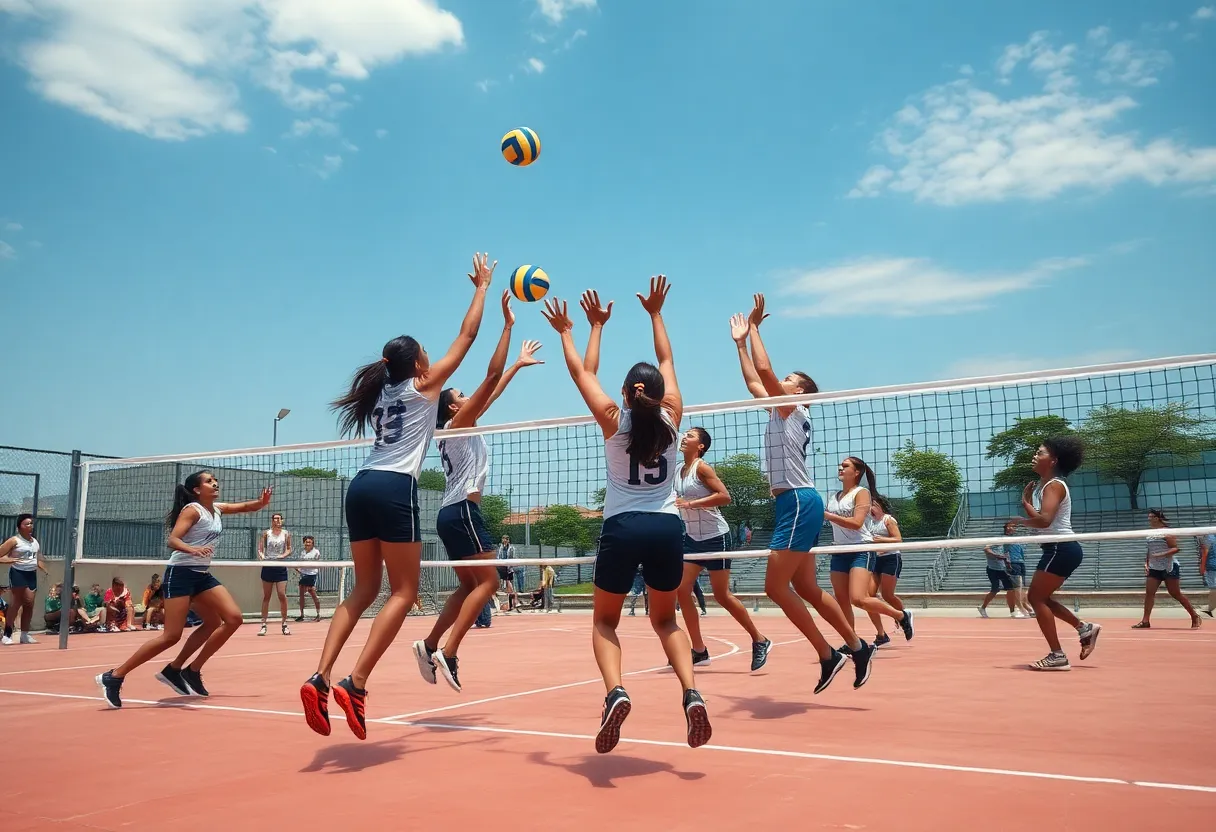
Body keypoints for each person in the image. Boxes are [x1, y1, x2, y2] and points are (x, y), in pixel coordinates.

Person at [301, 252, 496, 740]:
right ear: (417, 362)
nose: (433, 356)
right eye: (426, 351)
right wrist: (482, 289)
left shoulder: (385, 392)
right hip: (393, 487)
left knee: (364, 589)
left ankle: (320, 676)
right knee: (404, 592)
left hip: (360, 485)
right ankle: (356, 683)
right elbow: (468, 337)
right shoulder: (422, 387)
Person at [541, 275, 711, 753]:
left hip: (622, 526)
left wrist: (573, 331)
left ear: (628, 391)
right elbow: (667, 361)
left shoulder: (614, 419)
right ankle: (690, 692)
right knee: (666, 620)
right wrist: (656, 313)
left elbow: (581, 373)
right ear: (655, 393)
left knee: (605, 622)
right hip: (666, 526)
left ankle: (616, 691)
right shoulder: (674, 419)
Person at [729, 298, 875, 691]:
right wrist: (740, 344)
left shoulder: (793, 409)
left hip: (796, 500)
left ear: (801, 391)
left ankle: (829, 655)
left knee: (774, 589)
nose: (783, 381)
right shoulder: (782, 409)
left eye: (790, 378)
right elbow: (754, 380)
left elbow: (764, 370)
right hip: (797, 500)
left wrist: (756, 329)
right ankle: (858, 646)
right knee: (808, 588)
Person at [413, 293, 543, 693]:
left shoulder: (458, 425)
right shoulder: (457, 425)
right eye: (461, 397)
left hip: (450, 513)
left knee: (470, 586)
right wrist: (506, 327)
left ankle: (429, 643)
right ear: (453, 409)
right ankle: (448, 653)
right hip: (463, 512)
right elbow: (489, 378)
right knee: (487, 584)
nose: (467, 399)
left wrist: (517, 367)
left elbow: (491, 391)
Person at [96, 471, 272, 708]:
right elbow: (173, 540)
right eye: (209, 481)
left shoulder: (216, 509)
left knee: (231, 619)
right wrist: (193, 550)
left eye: (214, 480)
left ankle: (184, 669)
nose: (215, 483)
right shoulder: (192, 510)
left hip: (200, 575)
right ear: (197, 490)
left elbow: (244, 507)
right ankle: (114, 676)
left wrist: (261, 503)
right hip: (180, 574)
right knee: (171, 636)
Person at [673, 425, 770, 669]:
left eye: (691, 436)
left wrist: (691, 503)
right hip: (692, 538)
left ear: (701, 446)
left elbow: (725, 496)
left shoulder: (702, 468)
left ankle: (759, 639)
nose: (685, 437)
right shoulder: (677, 471)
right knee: (681, 590)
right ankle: (699, 649)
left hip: (716, 536)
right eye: (685, 434)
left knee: (721, 595)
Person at [1014, 437, 1100, 671]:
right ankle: (1084, 628)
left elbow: (1044, 521)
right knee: (1043, 599)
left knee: (1036, 598)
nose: (1034, 455)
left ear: (1053, 460)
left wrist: (1021, 521)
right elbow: (1044, 517)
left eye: (1039, 452)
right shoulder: (1048, 485)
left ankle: (1057, 655)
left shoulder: (1054, 485)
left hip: (1060, 548)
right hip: (1059, 548)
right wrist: (1026, 504)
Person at [824, 457, 914, 646]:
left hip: (861, 549)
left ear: (856, 472)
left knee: (859, 598)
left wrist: (826, 515)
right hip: (839, 550)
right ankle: (852, 643)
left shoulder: (861, 493)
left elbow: (857, 523)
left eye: (846, 466)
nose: (840, 468)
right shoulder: (833, 496)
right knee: (842, 600)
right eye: (840, 465)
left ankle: (901, 615)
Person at [1133, 509, 1201, 629]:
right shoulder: (1149, 533)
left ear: (1157, 518)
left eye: (1151, 517)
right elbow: (1150, 550)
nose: (1149, 519)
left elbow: (1175, 548)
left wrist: (1161, 554)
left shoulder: (1167, 532)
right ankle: (1145, 621)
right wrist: (1147, 562)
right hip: (1154, 567)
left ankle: (1194, 615)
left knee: (1175, 593)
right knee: (1149, 593)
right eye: (1148, 517)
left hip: (1169, 566)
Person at [864, 496, 910, 645]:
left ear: (881, 506)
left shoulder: (888, 520)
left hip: (891, 558)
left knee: (887, 595)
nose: (871, 507)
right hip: (875, 559)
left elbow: (898, 539)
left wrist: (881, 541)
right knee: (868, 596)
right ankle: (881, 634)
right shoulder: (870, 522)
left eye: (874, 505)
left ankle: (904, 616)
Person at [0, 514, 51, 644]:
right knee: (16, 603)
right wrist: (9, 560)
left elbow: (37, 557)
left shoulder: (34, 541)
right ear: (19, 527)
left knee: (29, 603)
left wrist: (43, 568)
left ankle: (24, 634)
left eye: (31, 523)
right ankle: (7, 634)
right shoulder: (14, 541)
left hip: (31, 574)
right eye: (27, 524)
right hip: (18, 572)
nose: (30, 526)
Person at [257, 513, 293, 636]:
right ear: (272, 521)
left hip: (280, 567)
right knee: (266, 596)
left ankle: (284, 624)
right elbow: (260, 549)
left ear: (282, 521)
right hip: (268, 566)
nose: (277, 521)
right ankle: (263, 624)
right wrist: (262, 557)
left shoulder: (286, 534)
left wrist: (282, 556)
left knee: (282, 595)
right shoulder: (266, 534)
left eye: (279, 519)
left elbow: (289, 549)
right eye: (275, 519)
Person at [295, 535, 322, 622]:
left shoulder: (316, 552)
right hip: (304, 575)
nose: (308, 544)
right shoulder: (303, 552)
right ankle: (301, 615)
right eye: (306, 542)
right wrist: (299, 569)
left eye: (309, 542)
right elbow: (300, 564)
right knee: (301, 595)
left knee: (313, 593)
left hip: (312, 575)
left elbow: (316, 564)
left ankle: (318, 614)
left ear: (313, 543)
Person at [496, 535, 520, 612]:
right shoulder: (500, 548)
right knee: (507, 587)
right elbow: (499, 557)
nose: (504, 541)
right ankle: (510, 604)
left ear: (508, 540)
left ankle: (515, 601)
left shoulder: (511, 548)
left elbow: (513, 558)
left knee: (511, 586)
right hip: (502, 568)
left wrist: (510, 567)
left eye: (506, 540)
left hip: (509, 569)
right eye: (503, 539)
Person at [1202, 532, 1216, 617]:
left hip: (1212, 566)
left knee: (1213, 588)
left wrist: (1202, 566)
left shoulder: (1209, 536)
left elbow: (1205, 553)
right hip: (1212, 565)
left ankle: (1210, 609)